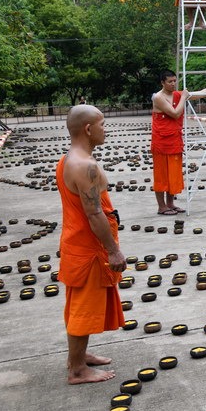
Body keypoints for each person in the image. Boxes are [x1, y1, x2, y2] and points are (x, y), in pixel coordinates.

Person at [56, 105, 126, 384]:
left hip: (76, 242)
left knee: (78, 305)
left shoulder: (67, 159)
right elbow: (94, 214)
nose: (105, 130)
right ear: (88, 129)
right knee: (83, 309)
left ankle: (79, 356)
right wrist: (113, 250)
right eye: (102, 124)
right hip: (89, 249)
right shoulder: (86, 167)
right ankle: (77, 370)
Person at [151, 70, 206, 215]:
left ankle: (170, 204)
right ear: (162, 83)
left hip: (174, 140)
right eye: (170, 81)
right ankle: (161, 207)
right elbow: (175, 113)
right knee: (161, 176)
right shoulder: (158, 97)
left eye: (175, 81)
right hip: (161, 142)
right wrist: (184, 97)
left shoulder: (178, 95)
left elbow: (201, 93)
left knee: (173, 174)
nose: (173, 84)